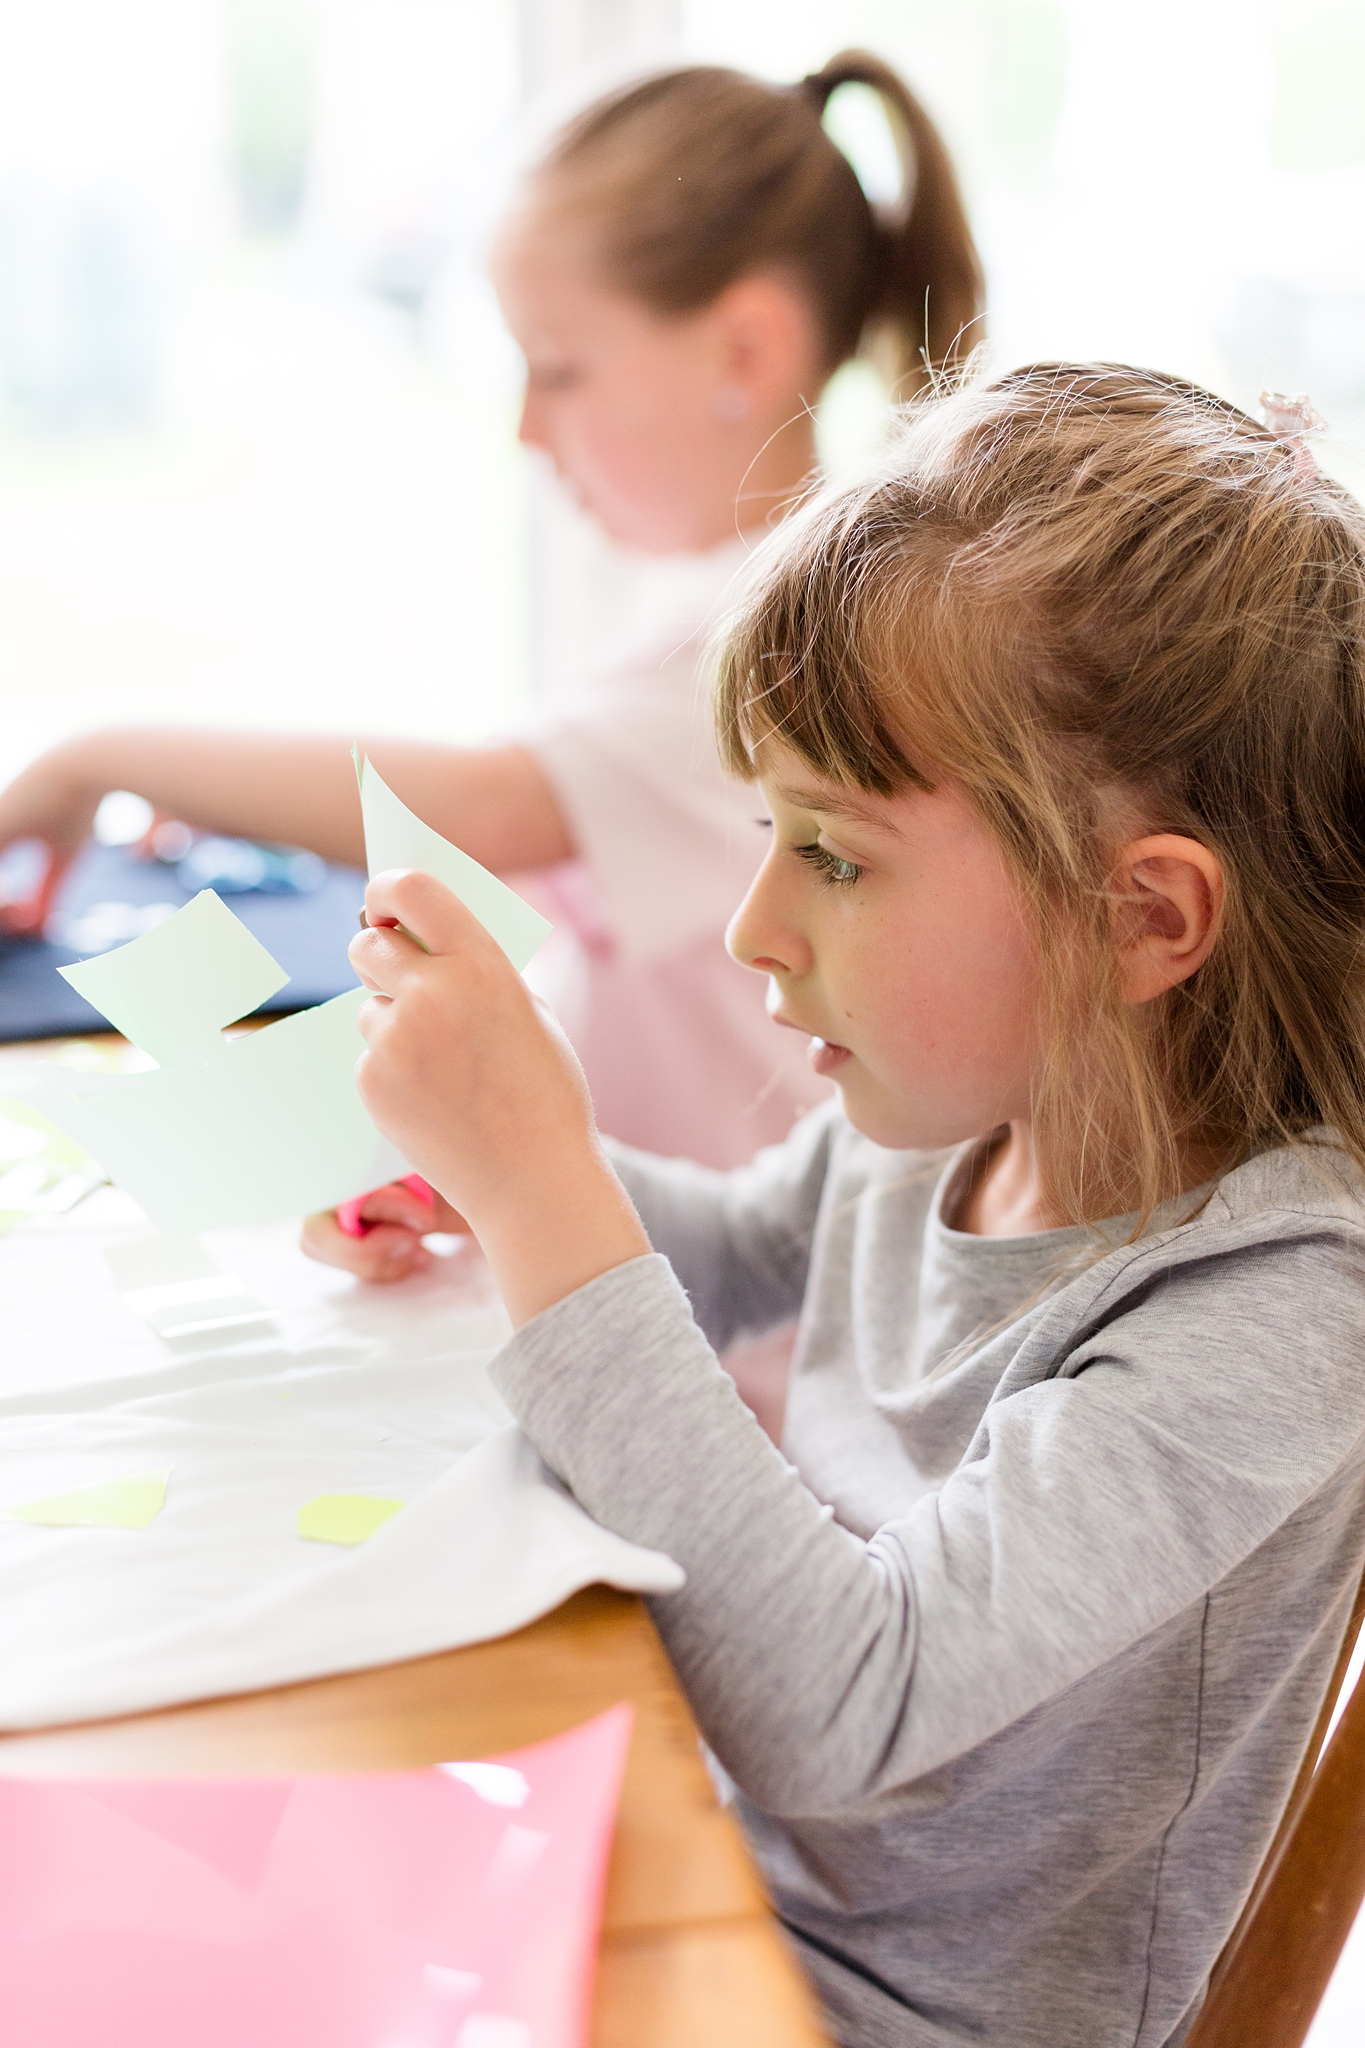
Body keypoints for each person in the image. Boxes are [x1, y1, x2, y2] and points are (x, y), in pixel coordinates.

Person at [323, 364, 1365, 2046]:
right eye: (768, 830)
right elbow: (731, 1254)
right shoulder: (953, 1112)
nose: (752, 923)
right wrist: (480, 1170)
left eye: (838, 853)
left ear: (1144, 919)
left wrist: (541, 1180)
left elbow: (847, 1712)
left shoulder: (1276, 1312)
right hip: (744, 1885)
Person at [0, 51, 983, 1201]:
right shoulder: (716, 601)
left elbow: (481, 803)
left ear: (744, 351)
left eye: (558, 368)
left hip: (725, 1319)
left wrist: (95, 758)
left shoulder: (785, 636)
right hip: (649, 1237)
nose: (525, 426)